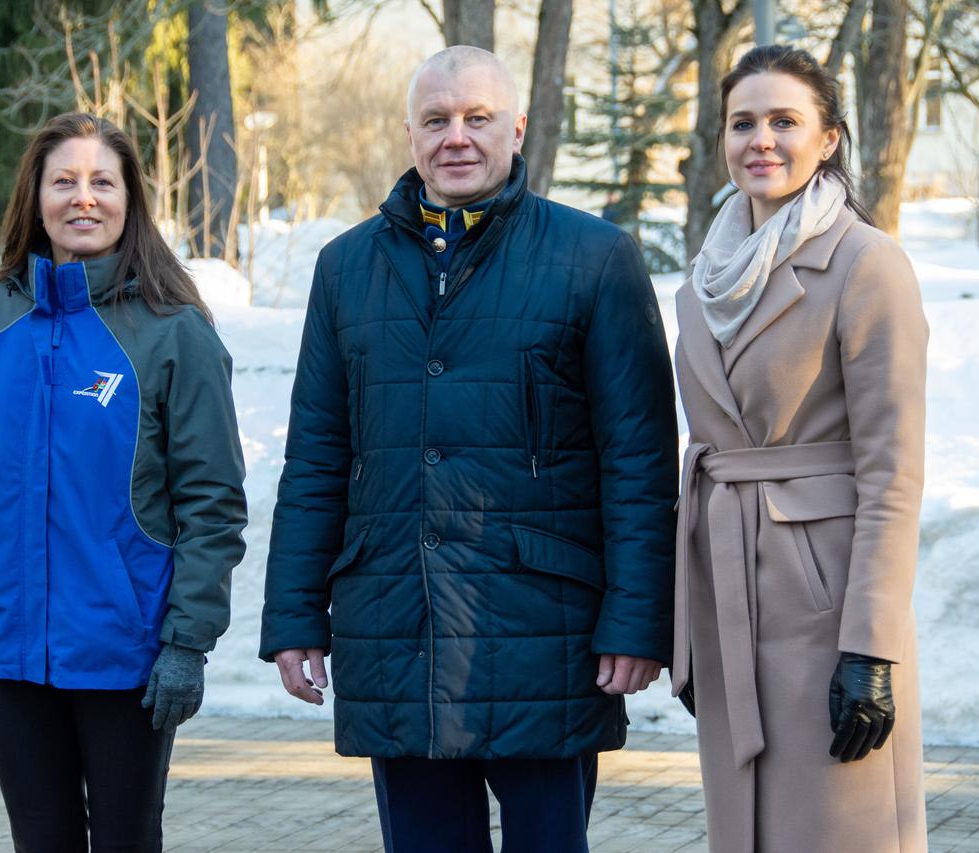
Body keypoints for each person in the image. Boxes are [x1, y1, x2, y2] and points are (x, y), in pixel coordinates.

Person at [259, 46, 679, 853]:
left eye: (477, 118)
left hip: (543, 634)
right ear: (411, 135)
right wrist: (294, 614)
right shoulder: (346, 268)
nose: (457, 137)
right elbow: (315, 455)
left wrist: (636, 620)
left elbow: (638, 461)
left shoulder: (593, 258)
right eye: (436, 120)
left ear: (516, 128)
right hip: (395, 624)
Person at [0, 112, 248, 852]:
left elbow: (213, 502)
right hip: (4, 648)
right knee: (41, 839)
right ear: (34, 197)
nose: (84, 197)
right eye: (63, 180)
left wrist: (187, 642)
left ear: (130, 198)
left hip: (124, 653)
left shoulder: (173, 330)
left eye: (103, 180)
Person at [670, 45, 928, 852]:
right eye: (743, 122)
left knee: (837, 831)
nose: (762, 140)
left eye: (786, 121)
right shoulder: (702, 280)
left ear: (829, 141)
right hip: (729, 598)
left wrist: (871, 648)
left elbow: (894, 470)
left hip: (825, 610)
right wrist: (687, 625)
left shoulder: (865, 264)